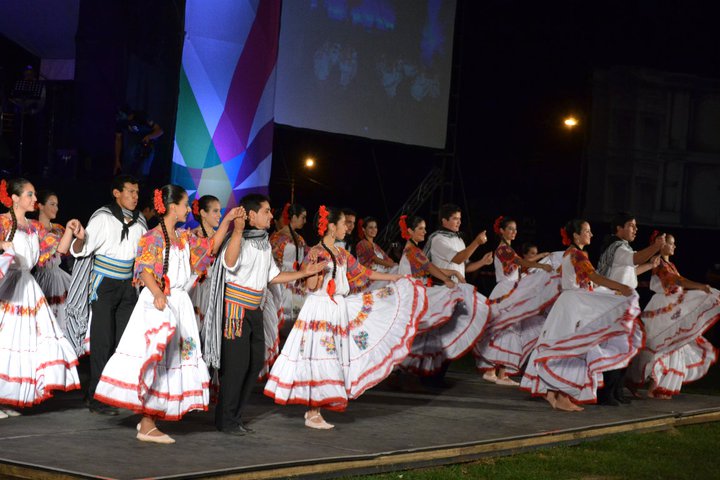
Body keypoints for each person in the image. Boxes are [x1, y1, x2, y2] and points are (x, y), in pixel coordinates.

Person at [94, 185, 239, 444]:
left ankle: (151, 420)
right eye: (185, 205)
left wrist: (228, 221)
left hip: (179, 303)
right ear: (173, 207)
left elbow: (210, 248)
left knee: (171, 363)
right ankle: (148, 423)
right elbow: (145, 269)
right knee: (156, 360)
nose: (187, 210)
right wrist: (158, 293)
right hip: (161, 303)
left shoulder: (183, 237)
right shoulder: (153, 237)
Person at [264, 206, 426, 429]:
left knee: (333, 357)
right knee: (319, 357)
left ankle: (316, 409)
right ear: (331, 226)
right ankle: (313, 412)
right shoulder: (316, 252)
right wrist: (312, 269)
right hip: (320, 309)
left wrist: (397, 277)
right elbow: (311, 286)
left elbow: (365, 273)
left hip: (337, 308)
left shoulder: (341, 253)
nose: (347, 229)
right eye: (343, 224)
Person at [202, 194, 327, 436]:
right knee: (236, 367)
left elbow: (273, 276)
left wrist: (304, 273)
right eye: (267, 211)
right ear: (251, 215)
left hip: (255, 310)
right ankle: (226, 420)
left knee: (255, 363)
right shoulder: (237, 239)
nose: (272, 215)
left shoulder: (263, 243)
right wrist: (237, 231)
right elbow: (228, 263)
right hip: (236, 311)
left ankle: (234, 417)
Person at [521, 219, 642, 411]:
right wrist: (621, 287)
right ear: (576, 235)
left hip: (571, 302)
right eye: (587, 231)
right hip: (572, 305)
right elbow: (594, 277)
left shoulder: (571, 253)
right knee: (573, 347)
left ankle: (555, 394)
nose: (591, 234)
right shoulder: (576, 254)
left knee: (567, 346)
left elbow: (588, 282)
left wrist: (612, 292)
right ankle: (561, 396)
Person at [65, 174, 148, 415]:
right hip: (103, 284)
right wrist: (79, 239)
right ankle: (96, 397)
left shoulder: (140, 221)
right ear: (116, 193)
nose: (135, 196)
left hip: (128, 286)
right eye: (130, 191)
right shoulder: (102, 217)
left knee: (122, 342)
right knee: (103, 341)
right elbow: (80, 250)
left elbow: (143, 254)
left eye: (136, 192)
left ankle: (115, 392)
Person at [0, 178, 82, 417]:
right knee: (6, 341)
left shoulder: (34, 226)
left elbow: (57, 252)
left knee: (22, 343)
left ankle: (8, 397)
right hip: (8, 285)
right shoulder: (4, 221)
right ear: (15, 198)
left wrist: (69, 230)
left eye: (35, 195)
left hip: (28, 286)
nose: (34, 200)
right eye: (29, 195)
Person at [628, 232, 720, 399]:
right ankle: (650, 385)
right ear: (663, 245)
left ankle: (658, 386)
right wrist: (699, 286)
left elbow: (679, 280)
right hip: (663, 308)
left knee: (672, 343)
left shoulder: (669, 264)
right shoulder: (660, 264)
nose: (674, 246)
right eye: (671, 243)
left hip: (672, 307)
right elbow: (676, 280)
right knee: (662, 343)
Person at [397, 215, 490, 377]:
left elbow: (428, 267)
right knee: (418, 335)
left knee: (422, 335)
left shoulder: (416, 250)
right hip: (411, 296)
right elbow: (430, 267)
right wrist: (447, 279)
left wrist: (453, 272)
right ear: (410, 231)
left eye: (425, 228)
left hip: (417, 293)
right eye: (420, 228)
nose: (425, 231)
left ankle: (413, 375)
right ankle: (405, 374)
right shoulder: (412, 250)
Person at [474, 216, 559, 386]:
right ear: (502, 231)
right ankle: (495, 371)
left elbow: (519, 264)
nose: (514, 232)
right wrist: (542, 266)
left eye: (515, 229)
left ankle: (499, 372)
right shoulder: (502, 249)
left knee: (509, 328)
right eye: (510, 229)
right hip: (506, 290)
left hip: (512, 289)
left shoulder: (509, 249)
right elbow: (519, 261)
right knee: (505, 328)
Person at [595, 212, 664, 404]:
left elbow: (630, 270)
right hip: (614, 304)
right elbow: (634, 259)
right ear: (619, 228)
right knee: (615, 346)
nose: (635, 229)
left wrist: (650, 265)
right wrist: (656, 247)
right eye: (631, 226)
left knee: (624, 346)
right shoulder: (617, 246)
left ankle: (616, 390)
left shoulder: (621, 248)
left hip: (622, 303)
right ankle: (606, 392)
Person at [188, 195, 236, 329]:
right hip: (199, 289)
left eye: (220, 211)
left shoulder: (221, 236)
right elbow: (209, 251)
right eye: (215, 211)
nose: (219, 215)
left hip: (217, 288)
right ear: (203, 213)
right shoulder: (193, 236)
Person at [33, 190, 72, 331]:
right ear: (41, 206)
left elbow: (69, 252)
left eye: (57, 205)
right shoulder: (33, 228)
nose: (56, 208)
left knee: (61, 316)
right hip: (42, 276)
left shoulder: (58, 229)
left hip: (59, 276)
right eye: (52, 204)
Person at [114, 108, 163, 179]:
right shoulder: (120, 121)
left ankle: (141, 182)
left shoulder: (141, 117)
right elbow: (118, 139)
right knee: (128, 164)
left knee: (143, 171)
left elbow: (160, 131)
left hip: (148, 144)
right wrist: (117, 160)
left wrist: (149, 137)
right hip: (133, 144)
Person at [355, 216, 398, 289]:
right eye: (370, 227)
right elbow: (374, 258)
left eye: (375, 227)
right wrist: (393, 265)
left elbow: (387, 259)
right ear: (364, 229)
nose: (374, 230)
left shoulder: (376, 246)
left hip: (380, 277)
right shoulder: (362, 244)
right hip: (370, 280)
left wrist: (394, 264)